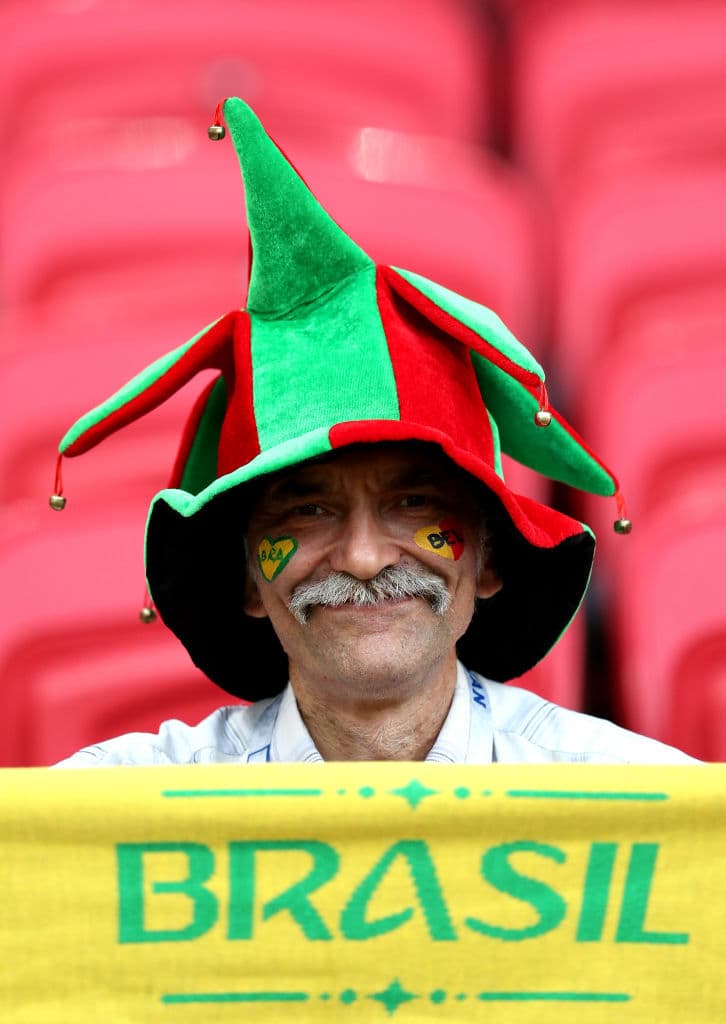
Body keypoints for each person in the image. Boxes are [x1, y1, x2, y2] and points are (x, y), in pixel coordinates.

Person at [53, 99, 694, 767]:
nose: (364, 558)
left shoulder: (630, 801)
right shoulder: (119, 809)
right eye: (307, 509)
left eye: (414, 503)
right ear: (247, 578)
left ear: (489, 556)